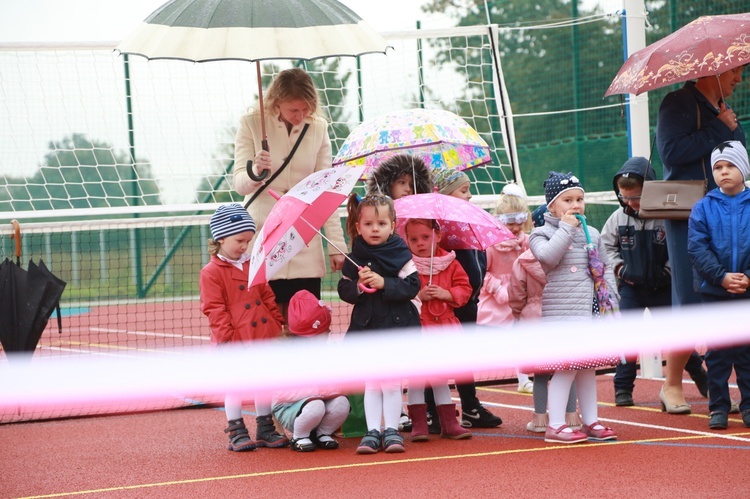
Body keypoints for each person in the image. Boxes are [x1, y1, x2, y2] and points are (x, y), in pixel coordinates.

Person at [655, 66, 746, 413]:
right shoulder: (677, 102)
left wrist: (728, 126)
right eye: (735, 71)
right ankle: (672, 384)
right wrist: (718, 127)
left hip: (731, 212)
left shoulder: (723, 108)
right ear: (715, 71)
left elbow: (740, 158)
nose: (739, 78)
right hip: (690, 215)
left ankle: (724, 388)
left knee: (729, 295)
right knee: (690, 299)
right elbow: (671, 154)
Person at [232, 68, 346, 328]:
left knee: (306, 324)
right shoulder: (251, 122)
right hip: (265, 237)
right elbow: (239, 184)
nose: (301, 116)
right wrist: (255, 171)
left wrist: (337, 246)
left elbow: (325, 190)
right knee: (267, 327)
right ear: (276, 102)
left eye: (306, 109)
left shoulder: (318, 127)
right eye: (294, 110)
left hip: (303, 237)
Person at [601, 157, 708, 407]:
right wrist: (620, 268)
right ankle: (623, 388)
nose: (631, 203)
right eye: (625, 198)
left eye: (636, 197)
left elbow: (680, 248)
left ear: (650, 190)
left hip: (664, 288)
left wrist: (670, 272)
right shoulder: (618, 219)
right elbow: (605, 247)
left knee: (675, 338)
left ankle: (701, 377)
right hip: (632, 289)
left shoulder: (665, 216)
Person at [529, 172, 619, 444]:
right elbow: (548, 257)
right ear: (551, 206)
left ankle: (590, 420)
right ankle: (555, 424)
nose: (576, 205)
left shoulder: (592, 232)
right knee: (566, 366)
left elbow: (606, 267)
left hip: (590, 311)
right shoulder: (540, 233)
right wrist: (566, 229)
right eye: (567, 200)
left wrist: (612, 299)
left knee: (588, 368)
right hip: (564, 314)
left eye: (580, 199)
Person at [199, 203, 289, 452]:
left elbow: (267, 294)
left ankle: (265, 428)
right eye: (239, 240)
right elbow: (214, 308)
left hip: (262, 334)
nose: (244, 246)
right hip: (234, 338)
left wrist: (275, 321)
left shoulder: (253, 264)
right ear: (221, 238)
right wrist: (226, 337)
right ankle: (236, 429)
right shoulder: (211, 272)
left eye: (248, 241)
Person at [337, 194, 421, 454]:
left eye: (382, 223)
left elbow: (413, 285)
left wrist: (385, 283)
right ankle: (373, 431)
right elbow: (344, 288)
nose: (375, 229)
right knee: (373, 382)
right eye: (369, 224)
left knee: (392, 382)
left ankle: (392, 430)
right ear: (358, 226)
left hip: (396, 326)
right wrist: (359, 286)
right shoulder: (354, 257)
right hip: (368, 327)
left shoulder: (401, 253)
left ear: (393, 225)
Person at [365, 153, 433, 432]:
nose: (407, 187)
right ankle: (393, 419)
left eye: (411, 182)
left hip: (415, 293)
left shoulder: (422, 215)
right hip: (385, 308)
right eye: (400, 182)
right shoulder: (374, 226)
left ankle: (424, 412)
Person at [431, 167, 503, 430]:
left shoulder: (468, 223)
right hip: (445, 305)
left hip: (468, 302)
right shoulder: (440, 229)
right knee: (436, 357)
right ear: (448, 194)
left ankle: (470, 407)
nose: (470, 195)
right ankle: (431, 411)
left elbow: (478, 261)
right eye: (464, 190)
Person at [688, 141, 750, 430]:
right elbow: (698, 249)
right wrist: (722, 277)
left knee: (746, 353)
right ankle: (719, 407)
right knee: (718, 353)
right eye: (718, 167)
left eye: (730, 166)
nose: (724, 172)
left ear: (744, 168)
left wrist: (747, 276)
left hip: (747, 292)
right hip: (715, 292)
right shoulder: (703, 207)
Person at [508, 204, 580, 433]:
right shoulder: (566, 254)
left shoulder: (523, 260)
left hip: (533, 319)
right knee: (567, 370)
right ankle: (571, 417)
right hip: (562, 315)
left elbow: (516, 292)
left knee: (540, 373)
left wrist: (520, 313)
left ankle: (539, 419)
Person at [403, 218, 472, 441]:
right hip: (419, 328)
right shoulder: (407, 265)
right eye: (414, 239)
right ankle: (419, 425)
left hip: (443, 327)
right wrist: (417, 295)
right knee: (417, 378)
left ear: (438, 236)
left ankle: (449, 424)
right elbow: (400, 291)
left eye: (425, 237)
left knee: (440, 377)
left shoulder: (450, 262)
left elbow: (465, 287)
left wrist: (447, 294)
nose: (420, 243)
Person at [272, 290, 351, 451]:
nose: (329, 332)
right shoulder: (287, 354)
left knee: (342, 403)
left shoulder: (328, 350)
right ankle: (299, 436)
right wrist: (317, 391)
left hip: (319, 400)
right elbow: (285, 393)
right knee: (315, 405)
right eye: (324, 330)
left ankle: (322, 433)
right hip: (290, 407)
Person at [477, 183, 534, 393]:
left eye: (520, 220)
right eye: (510, 222)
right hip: (497, 303)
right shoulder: (491, 245)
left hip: (521, 298)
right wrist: (499, 289)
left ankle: (523, 378)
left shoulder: (528, 242)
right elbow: (484, 273)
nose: (516, 227)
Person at [366, 153, 433, 197]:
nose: (408, 189)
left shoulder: (422, 214)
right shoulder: (375, 213)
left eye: (412, 185)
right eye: (402, 182)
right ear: (389, 184)